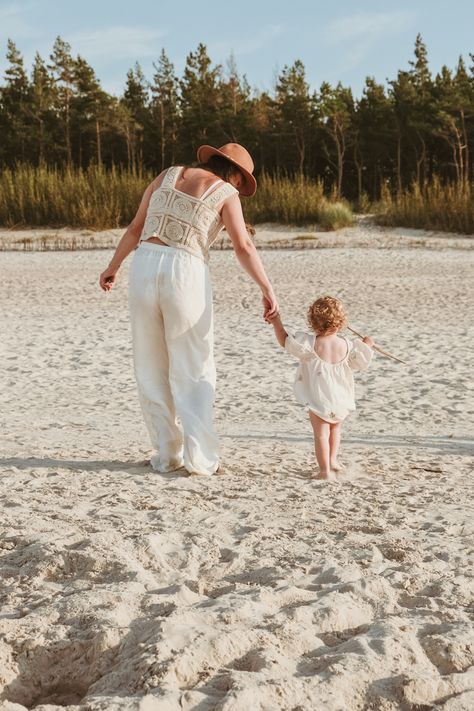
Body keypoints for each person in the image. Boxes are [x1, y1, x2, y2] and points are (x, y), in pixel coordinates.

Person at [99, 143, 278, 476]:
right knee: (194, 364)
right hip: (185, 270)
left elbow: (136, 228)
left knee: (150, 363)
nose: (240, 187)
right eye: (242, 181)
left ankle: (167, 454)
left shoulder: (167, 175)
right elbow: (244, 245)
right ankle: (200, 458)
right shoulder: (226, 192)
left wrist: (113, 266)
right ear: (236, 174)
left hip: (143, 266)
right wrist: (267, 288)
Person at [267, 296, 374, 479]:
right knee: (335, 429)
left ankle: (325, 470)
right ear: (340, 323)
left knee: (321, 435)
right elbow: (360, 362)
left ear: (312, 322)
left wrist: (277, 321)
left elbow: (285, 341)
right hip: (341, 397)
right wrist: (367, 345)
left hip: (319, 398)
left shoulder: (310, 344)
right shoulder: (347, 345)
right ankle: (332, 460)